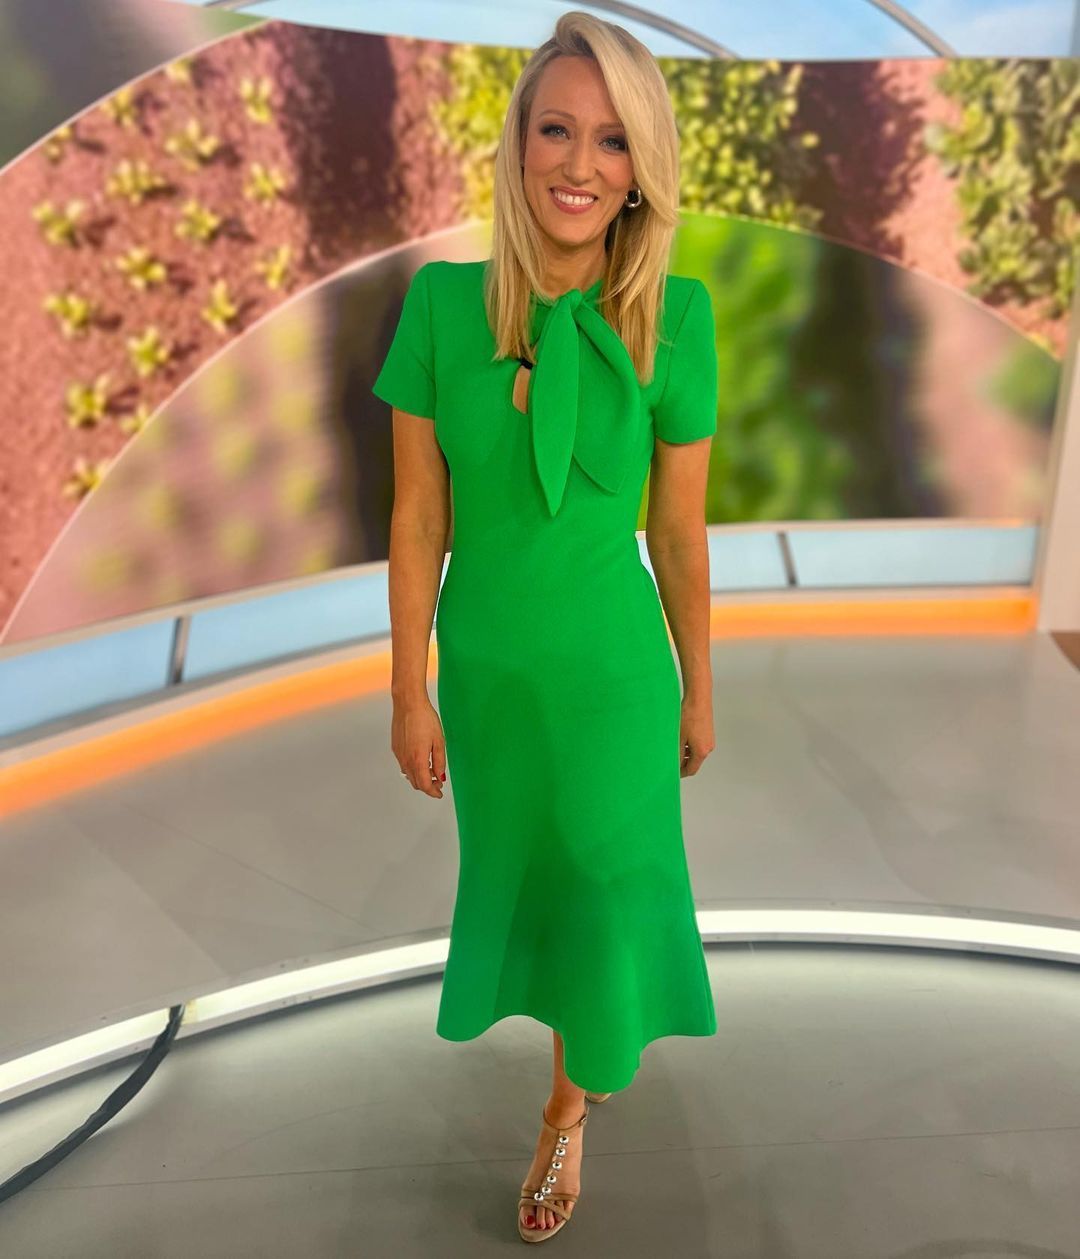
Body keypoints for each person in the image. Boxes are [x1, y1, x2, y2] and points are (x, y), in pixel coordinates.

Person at [373, 10, 718, 1243]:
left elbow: (678, 530)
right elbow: (419, 517)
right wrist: (407, 687)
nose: (581, 164)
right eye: (558, 130)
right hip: (490, 680)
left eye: (614, 140)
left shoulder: (680, 317)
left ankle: (567, 1109)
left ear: (642, 169)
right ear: (518, 143)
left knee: (602, 888)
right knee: (532, 885)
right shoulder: (438, 306)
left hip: (616, 675)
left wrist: (700, 683)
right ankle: (580, 1066)